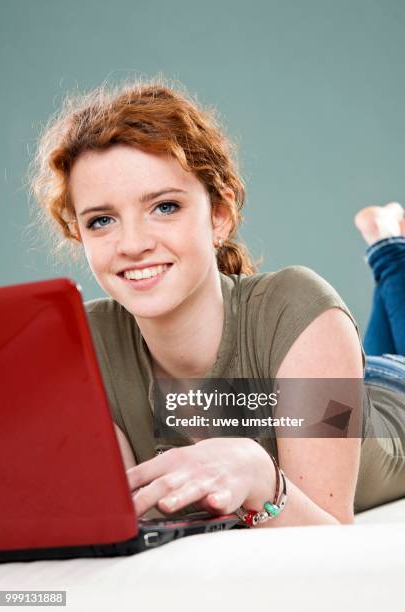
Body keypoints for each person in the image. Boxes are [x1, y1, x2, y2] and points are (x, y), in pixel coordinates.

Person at [30, 79, 404, 527]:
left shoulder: (298, 307)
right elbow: (127, 518)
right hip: (333, 366)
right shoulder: (83, 345)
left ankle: (388, 247)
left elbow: (328, 537)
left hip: (386, 394)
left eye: (164, 207)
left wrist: (262, 478)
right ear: (79, 235)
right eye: (102, 220)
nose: (131, 245)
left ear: (219, 216)